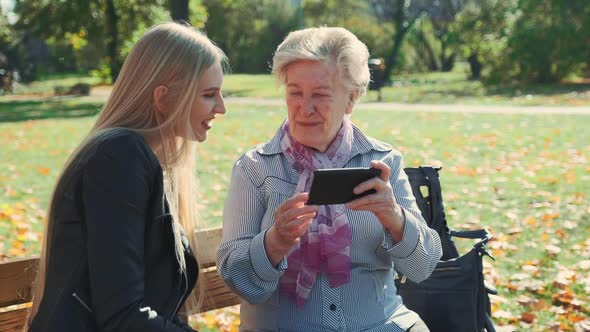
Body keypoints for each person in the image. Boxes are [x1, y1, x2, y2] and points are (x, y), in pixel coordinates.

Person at [217, 27, 442, 332]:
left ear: (351, 99)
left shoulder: (382, 161)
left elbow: (423, 266)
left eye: (320, 95)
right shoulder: (255, 169)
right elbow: (237, 279)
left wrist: (396, 219)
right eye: (294, 92)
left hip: (381, 325)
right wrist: (274, 242)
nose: (304, 108)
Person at [27, 22, 227, 332]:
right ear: (163, 98)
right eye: (209, 95)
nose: (222, 108)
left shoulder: (137, 157)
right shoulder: (119, 157)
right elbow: (122, 315)